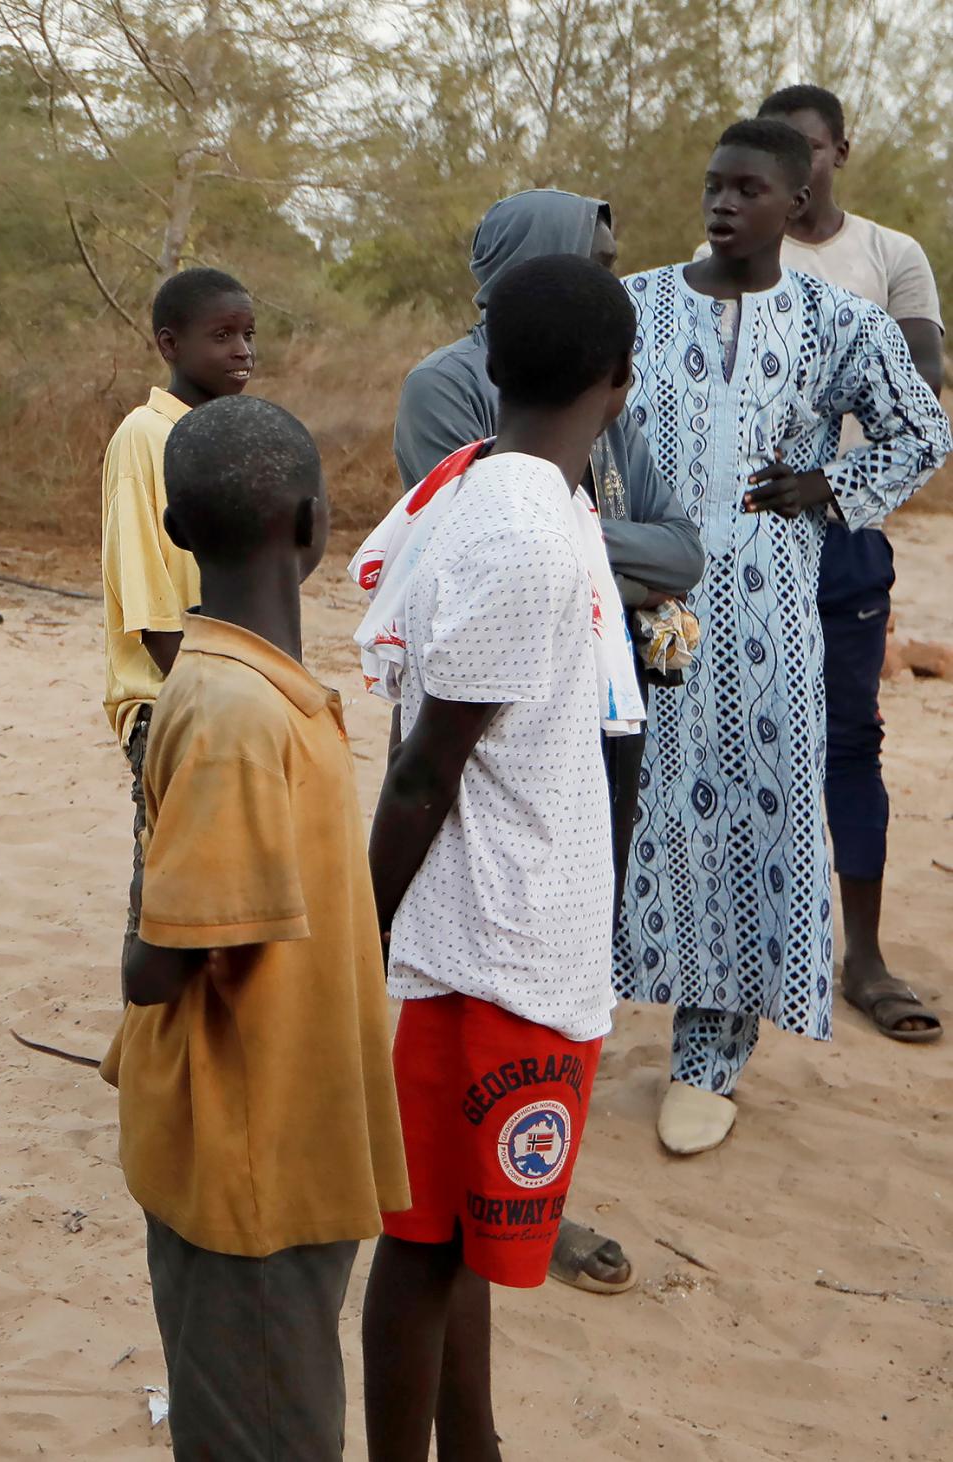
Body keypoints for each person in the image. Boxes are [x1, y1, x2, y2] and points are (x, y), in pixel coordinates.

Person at [357, 253, 644, 1462]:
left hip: (503, 930)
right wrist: (358, 938)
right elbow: (424, 766)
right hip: (497, 946)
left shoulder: (493, 489)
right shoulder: (525, 532)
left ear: (485, 366)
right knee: (424, 1246)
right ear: (620, 385)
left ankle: (468, 1444)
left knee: (458, 1239)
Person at [392, 188, 705, 1295]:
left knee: (579, 901)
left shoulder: (595, 388)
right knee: (489, 961)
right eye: (597, 255)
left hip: (598, 695)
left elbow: (681, 547)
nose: (616, 272)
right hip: (501, 709)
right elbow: (460, 526)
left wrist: (586, 541)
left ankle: (525, 1186)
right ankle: (502, 1198)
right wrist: (581, 546)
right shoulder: (451, 392)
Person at [618, 119, 949, 1155]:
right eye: (712, 185)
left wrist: (832, 485)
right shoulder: (635, 304)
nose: (722, 204)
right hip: (653, 618)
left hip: (767, 630)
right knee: (642, 798)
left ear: (795, 199)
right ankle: (583, 1008)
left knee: (749, 816)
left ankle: (708, 1051)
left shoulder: (833, 321)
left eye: (746, 188)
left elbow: (922, 429)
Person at [110, 396, 406, 1462]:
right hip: (248, 1171)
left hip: (285, 1141)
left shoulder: (254, 695)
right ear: (315, 521)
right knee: (267, 1428)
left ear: (175, 531)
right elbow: (162, 965)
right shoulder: (237, 714)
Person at [755, 83, 946, 1043]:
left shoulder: (890, 256)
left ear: (840, 151)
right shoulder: (741, 240)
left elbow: (918, 389)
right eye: (770, 152)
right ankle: (742, 949)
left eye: (807, 149)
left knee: (849, 741)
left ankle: (861, 955)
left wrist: (826, 468)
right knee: (733, 735)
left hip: (844, 527)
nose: (791, 169)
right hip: (744, 527)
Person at [101, 267, 254, 941]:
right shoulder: (145, 436)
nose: (243, 351)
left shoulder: (228, 433)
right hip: (176, 701)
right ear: (169, 344)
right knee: (165, 910)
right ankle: (145, 1047)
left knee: (226, 905)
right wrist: (204, 703)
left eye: (248, 334)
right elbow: (153, 600)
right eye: (221, 336)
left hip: (234, 695)